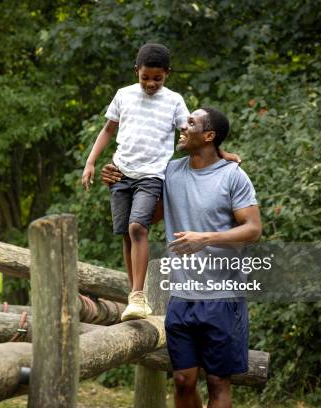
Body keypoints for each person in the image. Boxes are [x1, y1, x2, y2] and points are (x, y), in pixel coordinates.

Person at [102, 107, 262, 408]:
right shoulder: (170, 171)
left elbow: (253, 229)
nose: (182, 127)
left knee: (217, 382)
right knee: (182, 380)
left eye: (191, 123)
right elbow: (150, 213)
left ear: (209, 135)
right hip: (181, 296)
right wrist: (117, 180)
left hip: (223, 299)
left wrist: (206, 238)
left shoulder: (233, 176)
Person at [82, 43, 240, 321]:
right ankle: (135, 295)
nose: (151, 83)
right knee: (126, 234)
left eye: (158, 78)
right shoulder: (123, 95)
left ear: (167, 74)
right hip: (121, 171)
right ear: (136, 72)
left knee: (137, 226)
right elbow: (108, 129)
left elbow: (192, 131)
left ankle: (139, 295)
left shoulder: (174, 100)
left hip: (152, 174)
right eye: (145, 78)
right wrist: (91, 162)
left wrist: (221, 152)